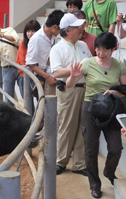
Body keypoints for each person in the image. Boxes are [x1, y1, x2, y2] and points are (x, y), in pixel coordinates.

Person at [66, 32, 126, 198]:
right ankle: (95, 184)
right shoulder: (88, 63)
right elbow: (69, 85)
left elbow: (124, 89)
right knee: (91, 150)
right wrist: (73, 77)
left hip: (112, 109)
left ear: (112, 49)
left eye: (104, 50)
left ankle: (108, 171)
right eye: (98, 49)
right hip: (91, 108)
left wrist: (115, 91)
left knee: (116, 147)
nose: (100, 53)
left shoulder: (119, 65)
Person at [50, 13, 91, 176]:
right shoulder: (57, 49)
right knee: (66, 126)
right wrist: (74, 70)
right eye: (77, 27)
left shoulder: (83, 45)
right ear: (67, 31)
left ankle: (79, 164)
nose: (81, 29)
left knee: (83, 126)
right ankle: (60, 161)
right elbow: (56, 72)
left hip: (86, 88)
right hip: (69, 90)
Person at [26, 10, 64, 98]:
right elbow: (31, 63)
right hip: (46, 80)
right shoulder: (36, 39)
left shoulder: (54, 37)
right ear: (55, 27)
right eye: (61, 29)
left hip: (55, 78)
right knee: (47, 108)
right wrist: (47, 77)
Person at [16, 20, 41, 97]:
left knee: (40, 99)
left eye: (33, 31)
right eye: (28, 31)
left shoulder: (41, 42)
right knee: (27, 101)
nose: (30, 34)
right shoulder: (23, 43)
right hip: (24, 75)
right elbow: (23, 62)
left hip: (39, 75)